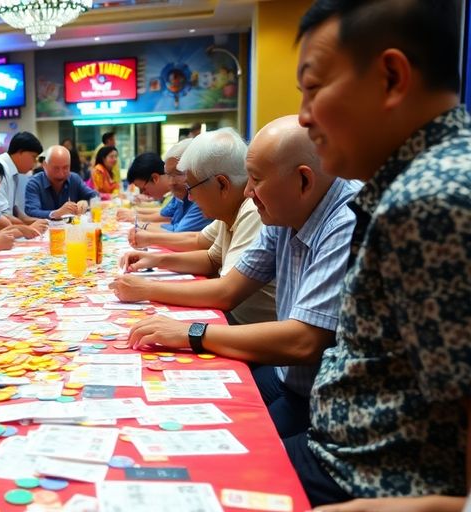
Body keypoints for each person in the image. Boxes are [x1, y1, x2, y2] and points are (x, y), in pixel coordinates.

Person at [288, 1, 470, 510]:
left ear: (391, 76)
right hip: (341, 455)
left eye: (313, 88)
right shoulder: (414, 182)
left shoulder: (430, 199)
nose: (304, 117)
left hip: (362, 481)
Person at [112, 115, 359, 441]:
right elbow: (228, 284)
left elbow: (304, 341)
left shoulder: (347, 218)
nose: (248, 191)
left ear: (303, 180)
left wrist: (190, 331)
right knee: (190, 408)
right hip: (285, 374)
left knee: (228, 444)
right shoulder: (281, 211)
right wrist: (154, 281)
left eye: (255, 179)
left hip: (321, 397)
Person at [118, 128, 277, 326]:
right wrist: (156, 259)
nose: (190, 197)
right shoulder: (229, 209)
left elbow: (225, 293)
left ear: (222, 184)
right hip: (235, 321)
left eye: (192, 188)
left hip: (247, 329)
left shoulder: (252, 210)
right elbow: (211, 258)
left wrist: (147, 288)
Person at [24, 145, 98, 220]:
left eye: (65, 168)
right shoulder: (34, 183)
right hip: (46, 230)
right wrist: (55, 213)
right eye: (56, 168)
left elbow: (95, 196)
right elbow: (31, 212)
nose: (61, 173)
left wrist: (86, 203)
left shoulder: (74, 179)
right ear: (44, 165)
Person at [0, 132, 45, 227]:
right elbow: (2, 215)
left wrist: (40, 221)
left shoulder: (13, 171)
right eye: (33, 157)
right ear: (20, 152)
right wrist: (28, 227)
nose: (35, 163)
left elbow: (14, 210)